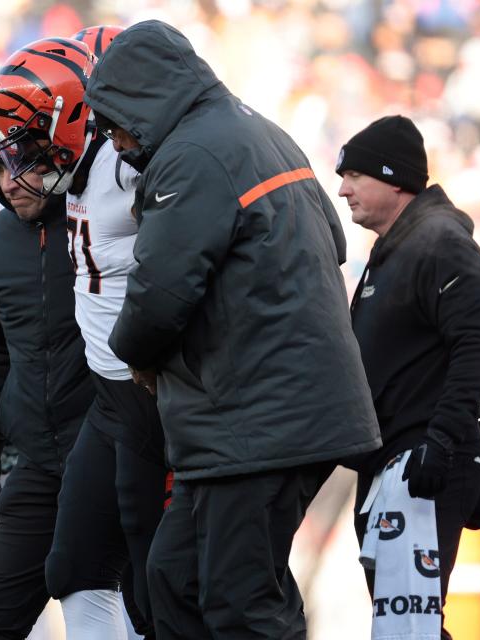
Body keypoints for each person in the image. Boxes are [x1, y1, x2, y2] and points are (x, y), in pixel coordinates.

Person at [83, 20, 383, 639]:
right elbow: (333, 241)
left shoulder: (191, 154)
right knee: (177, 576)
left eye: (113, 120)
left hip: (259, 419)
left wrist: (132, 354)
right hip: (276, 411)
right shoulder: (262, 134)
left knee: (240, 601)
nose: (113, 139)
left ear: (144, 98)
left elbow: (160, 294)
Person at [0, 32, 169, 640]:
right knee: (63, 576)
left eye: (33, 145)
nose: (18, 169)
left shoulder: (130, 170)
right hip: (78, 427)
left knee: (158, 583)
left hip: (142, 406)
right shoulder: (24, 219)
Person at [336, 115, 480, 639]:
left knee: (408, 629)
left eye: (356, 176)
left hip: (422, 463)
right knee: (409, 626)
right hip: (393, 465)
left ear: (395, 179)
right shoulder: (395, 249)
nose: (342, 189)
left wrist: (441, 438)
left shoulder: (439, 241)